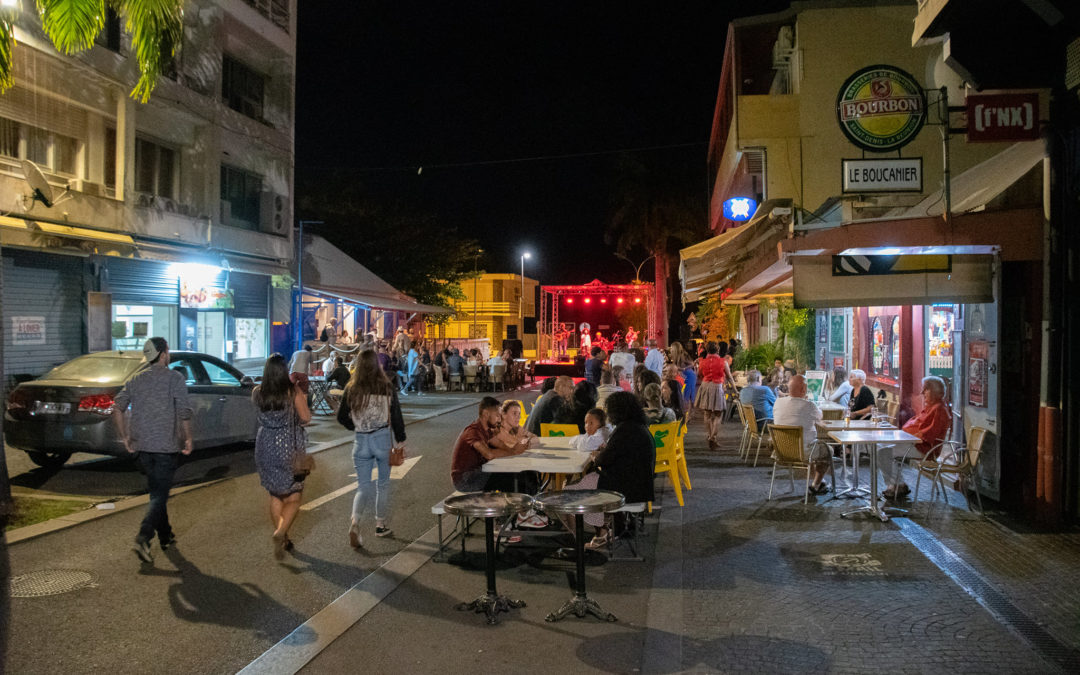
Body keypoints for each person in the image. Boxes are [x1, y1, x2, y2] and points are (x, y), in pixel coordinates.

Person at [113, 337, 193, 563]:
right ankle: (144, 536)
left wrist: (125, 436)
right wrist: (188, 438)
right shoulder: (175, 378)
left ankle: (166, 535)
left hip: (142, 447)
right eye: (167, 350)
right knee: (160, 494)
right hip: (165, 447)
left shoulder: (136, 379)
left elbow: (117, 408)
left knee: (156, 492)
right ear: (163, 353)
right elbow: (184, 411)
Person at [337, 350, 407, 546]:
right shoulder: (386, 386)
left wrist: (355, 426)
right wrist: (400, 439)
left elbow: (341, 416)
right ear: (378, 365)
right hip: (382, 438)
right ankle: (380, 525)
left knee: (363, 486)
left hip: (360, 440)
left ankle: (355, 522)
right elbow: (396, 415)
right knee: (383, 484)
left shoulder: (351, 388)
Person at [251, 353, 312, 559]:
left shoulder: (257, 392)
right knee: (294, 495)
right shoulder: (292, 391)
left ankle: (284, 538)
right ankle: (281, 532)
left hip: (265, 447)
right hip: (289, 447)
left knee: (275, 494)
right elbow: (306, 418)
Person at [583, 391, 655, 549]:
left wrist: (597, 456)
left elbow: (604, 460)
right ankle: (616, 528)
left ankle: (601, 534)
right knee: (591, 480)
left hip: (627, 489)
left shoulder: (624, 430)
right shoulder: (637, 426)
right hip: (640, 484)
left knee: (581, 489)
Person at [879, 376, 952, 500]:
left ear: (934, 391)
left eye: (925, 390)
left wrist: (906, 435)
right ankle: (896, 485)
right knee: (881, 448)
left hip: (925, 449)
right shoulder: (931, 408)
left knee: (882, 452)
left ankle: (898, 485)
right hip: (916, 444)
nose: (922, 393)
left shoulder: (939, 410)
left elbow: (926, 435)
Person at [451, 397, 530, 492]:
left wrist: (514, 450)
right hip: (465, 480)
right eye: (497, 416)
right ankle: (516, 503)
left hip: (478, 472)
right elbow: (489, 454)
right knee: (510, 478)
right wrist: (514, 453)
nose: (500, 420)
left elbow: (500, 444)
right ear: (486, 414)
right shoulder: (473, 431)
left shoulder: (487, 429)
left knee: (517, 472)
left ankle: (522, 498)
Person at [772, 374, 830, 495]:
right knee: (827, 450)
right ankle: (817, 484)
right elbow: (820, 417)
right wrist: (807, 401)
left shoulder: (778, 403)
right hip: (804, 452)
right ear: (804, 389)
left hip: (781, 451)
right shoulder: (809, 406)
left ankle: (820, 481)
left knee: (812, 447)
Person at [695, 341, 731, 449]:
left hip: (705, 385)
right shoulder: (723, 362)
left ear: (707, 350)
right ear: (718, 350)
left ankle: (710, 436)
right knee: (718, 414)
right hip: (717, 386)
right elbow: (729, 377)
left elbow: (699, 375)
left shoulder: (702, 362)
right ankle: (713, 437)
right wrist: (735, 390)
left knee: (707, 414)